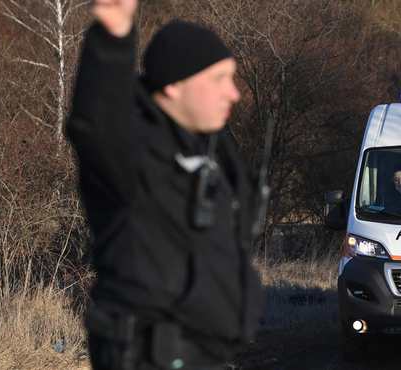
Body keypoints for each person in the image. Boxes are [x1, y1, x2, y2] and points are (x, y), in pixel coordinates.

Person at [67, 1, 262, 369]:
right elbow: (95, 124)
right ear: (174, 84)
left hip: (204, 357)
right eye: (219, 79)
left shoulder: (206, 150)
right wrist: (112, 36)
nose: (233, 93)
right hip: (148, 357)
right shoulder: (133, 154)